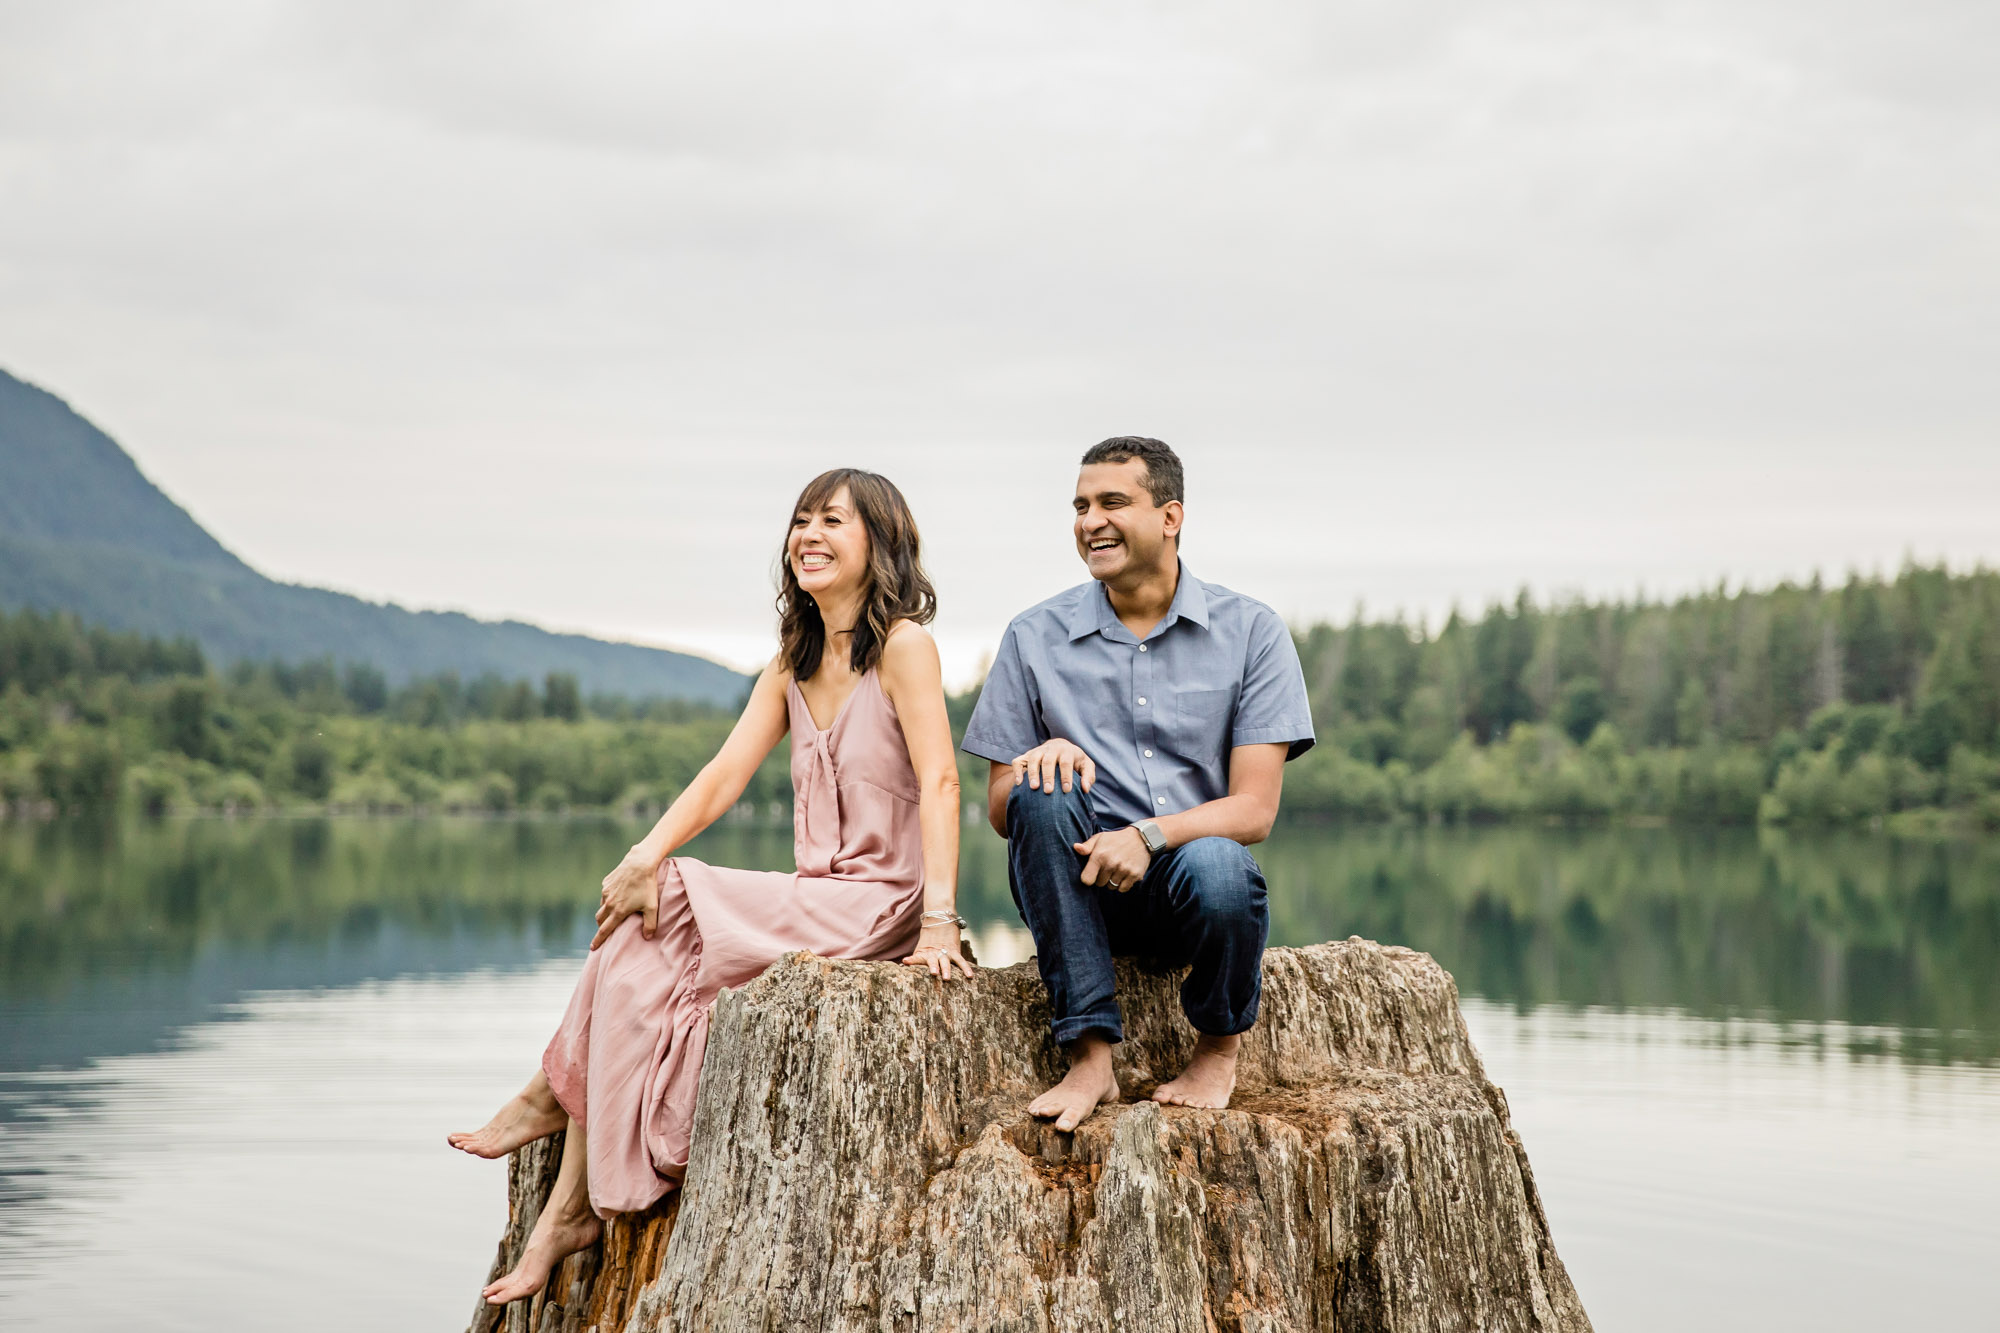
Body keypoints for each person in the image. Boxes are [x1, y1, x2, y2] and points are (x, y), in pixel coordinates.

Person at [448, 468, 974, 1306]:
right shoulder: (791, 664)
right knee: (633, 951)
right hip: (811, 899)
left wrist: (941, 922)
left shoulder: (905, 648)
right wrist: (642, 851)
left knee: (672, 893)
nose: (808, 534)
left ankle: (549, 1090)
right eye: (801, 519)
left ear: (880, 539)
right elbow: (725, 775)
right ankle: (564, 1214)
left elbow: (944, 781)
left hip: (879, 903)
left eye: (832, 520)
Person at [961, 436, 1314, 1131]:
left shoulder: (1253, 632)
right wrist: (1044, 758)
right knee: (1042, 789)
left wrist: (1149, 837)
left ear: (1170, 516)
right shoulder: (1033, 635)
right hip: (1077, 888)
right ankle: (1090, 1058)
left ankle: (1217, 1048)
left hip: (1192, 888)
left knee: (1220, 864)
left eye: (1112, 502)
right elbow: (1002, 807)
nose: (1090, 520)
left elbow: (1255, 810)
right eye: (1081, 505)